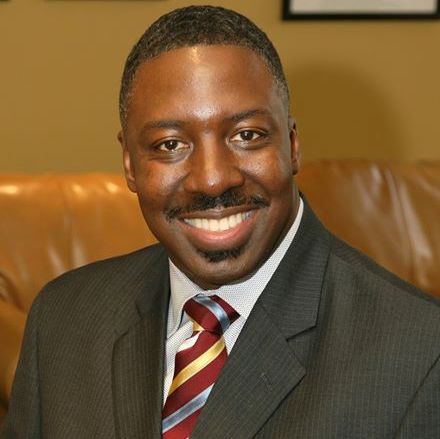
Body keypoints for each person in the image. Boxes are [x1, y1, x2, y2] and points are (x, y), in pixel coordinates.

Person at [1, 5, 439, 439]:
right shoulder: (63, 320)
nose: (212, 179)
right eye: (170, 144)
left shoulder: (420, 354)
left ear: (291, 145)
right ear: (130, 163)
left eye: (246, 135)